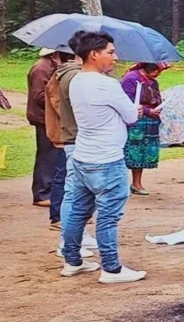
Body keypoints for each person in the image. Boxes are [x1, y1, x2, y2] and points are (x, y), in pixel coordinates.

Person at [58, 30, 145, 283]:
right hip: (106, 158)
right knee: (108, 216)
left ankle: (72, 260)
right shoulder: (107, 84)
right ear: (93, 54)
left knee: (78, 212)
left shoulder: (76, 80)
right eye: (110, 52)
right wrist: (134, 110)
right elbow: (130, 116)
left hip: (83, 155)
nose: (115, 57)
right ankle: (111, 268)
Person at [45, 46, 80, 228]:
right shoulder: (62, 78)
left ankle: (68, 213)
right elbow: (59, 104)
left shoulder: (62, 75)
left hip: (65, 131)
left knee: (67, 174)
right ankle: (57, 216)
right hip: (63, 133)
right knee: (63, 175)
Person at [119, 63, 165, 195]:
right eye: (157, 70)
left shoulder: (153, 82)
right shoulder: (131, 79)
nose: (158, 73)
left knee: (142, 153)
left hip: (150, 122)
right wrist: (147, 110)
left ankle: (136, 183)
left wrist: (158, 107)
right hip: (136, 121)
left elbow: (157, 97)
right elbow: (127, 99)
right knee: (131, 150)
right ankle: (120, 183)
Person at [27, 48, 62, 208]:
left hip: (49, 117)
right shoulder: (42, 68)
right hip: (43, 118)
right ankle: (41, 193)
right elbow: (39, 95)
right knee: (46, 155)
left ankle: (48, 191)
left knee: (52, 155)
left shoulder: (52, 67)